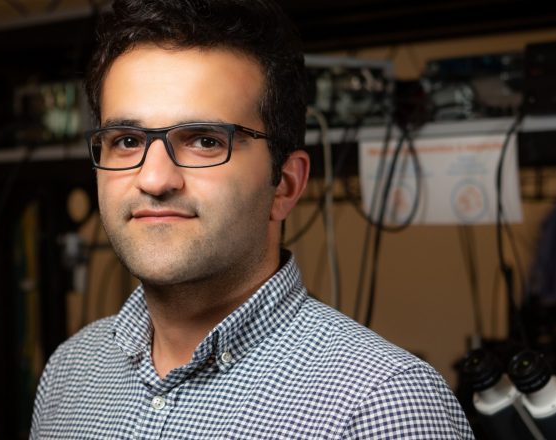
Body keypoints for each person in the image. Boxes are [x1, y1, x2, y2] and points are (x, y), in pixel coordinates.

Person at [30, 0, 474, 438]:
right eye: (126, 140)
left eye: (204, 140)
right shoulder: (71, 371)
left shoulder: (381, 406)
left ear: (285, 184)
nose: (154, 178)